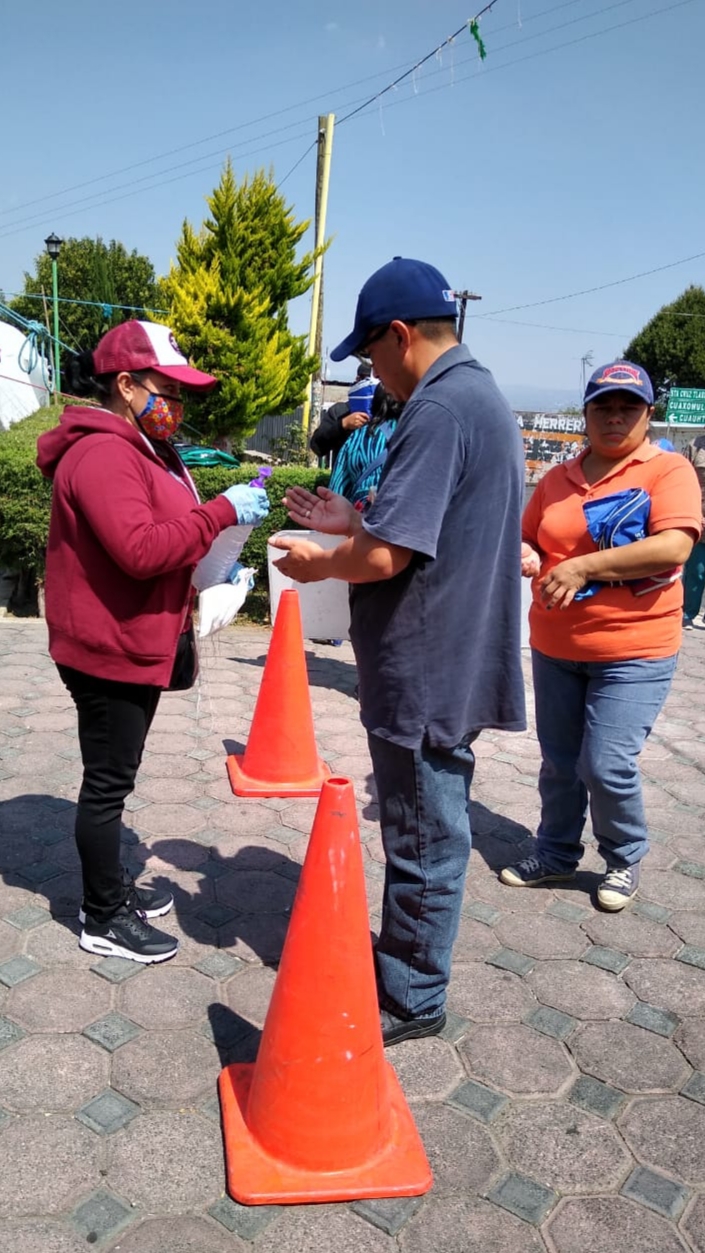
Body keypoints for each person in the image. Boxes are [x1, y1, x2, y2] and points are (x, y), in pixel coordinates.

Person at [271, 257, 526, 1046]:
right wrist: (353, 520)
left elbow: (389, 560)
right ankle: (410, 968)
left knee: (420, 837)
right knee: (429, 826)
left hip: (424, 660)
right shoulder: (474, 396)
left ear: (401, 336)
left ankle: (411, 994)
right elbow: (414, 530)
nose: (368, 370)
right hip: (448, 652)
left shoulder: (441, 407)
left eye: (369, 353)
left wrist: (323, 559)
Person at [36, 320, 270, 963]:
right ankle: (101, 916)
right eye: (168, 387)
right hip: (106, 647)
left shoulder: (143, 447)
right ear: (126, 384)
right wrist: (221, 512)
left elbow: (165, 534)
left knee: (120, 775)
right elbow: (140, 550)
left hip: (138, 636)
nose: (179, 402)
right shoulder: (104, 453)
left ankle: (111, 890)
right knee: (107, 784)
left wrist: (217, 564)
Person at [500, 361, 701, 911]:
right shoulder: (560, 478)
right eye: (603, 407)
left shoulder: (667, 470)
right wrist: (530, 554)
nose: (614, 418)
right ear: (586, 413)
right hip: (556, 645)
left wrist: (584, 567)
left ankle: (623, 856)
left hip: (635, 648)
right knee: (559, 761)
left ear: (647, 414)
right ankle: (556, 853)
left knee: (606, 763)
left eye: (627, 407)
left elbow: (674, 547)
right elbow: (529, 537)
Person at [328, 383, 403, 508]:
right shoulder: (410, 434)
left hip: (361, 516)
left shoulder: (356, 437)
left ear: (374, 403)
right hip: (398, 516)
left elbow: (336, 489)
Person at [309, 362, 377, 464]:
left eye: (376, 380)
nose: (370, 385)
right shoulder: (340, 411)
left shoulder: (389, 413)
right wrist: (343, 424)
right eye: (366, 379)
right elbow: (317, 446)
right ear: (358, 380)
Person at [682, 432, 705, 628]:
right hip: (700, 515)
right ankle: (688, 613)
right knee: (696, 571)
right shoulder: (694, 446)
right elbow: (682, 481)